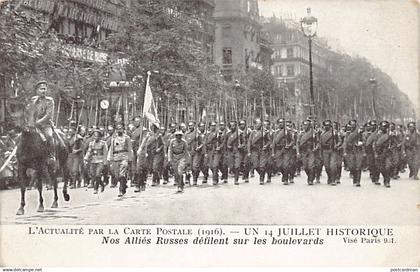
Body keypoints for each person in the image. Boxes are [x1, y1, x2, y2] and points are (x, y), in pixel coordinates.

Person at [28, 80, 55, 160]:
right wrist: (30, 123)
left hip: (45, 125)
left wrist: (38, 122)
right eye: (41, 89)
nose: (43, 91)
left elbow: (48, 115)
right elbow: (30, 112)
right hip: (33, 125)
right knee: (23, 137)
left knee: (49, 136)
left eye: (44, 89)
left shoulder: (49, 101)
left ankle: (51, 155)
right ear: (37, 91)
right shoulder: (33, 100)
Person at [107, 124, 134, 197]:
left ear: (123, 129)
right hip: (116, 157)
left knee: (122, 173)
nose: (119, 130)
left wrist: (130, 158)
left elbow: (130, 148)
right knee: (117, 175)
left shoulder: (127, 138)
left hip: (124, 157)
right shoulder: (114, 138)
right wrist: (110, 158)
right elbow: (111, 149)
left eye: (121, 128)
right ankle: (124, 184)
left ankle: (121, 190)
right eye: (118, 129)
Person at [84, 129, 108, 194]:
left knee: (98, 174)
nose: (96, 137)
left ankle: (96, 188)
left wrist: (105, 162)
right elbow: (89, 151)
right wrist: (86, 157)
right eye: (94, 136)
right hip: (93, 160)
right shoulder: (91, 143)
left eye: (97, 136)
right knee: (93, 174)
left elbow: (105, 153)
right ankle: (102, 184)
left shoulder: (103, 143)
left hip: (100, 160)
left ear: (100, 136)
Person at [373, 121, 393, 188]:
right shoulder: (377, 135)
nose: (383, 128)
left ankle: (387, 181)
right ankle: (385, 177)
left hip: (388, 153)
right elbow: (374, 144)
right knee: (381, 168)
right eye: (382, 127)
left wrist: (391, 148)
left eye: (385, 127)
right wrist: (375, 153)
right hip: (380, 153)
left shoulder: (390, 135)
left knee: (388, 167)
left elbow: (395, 144)